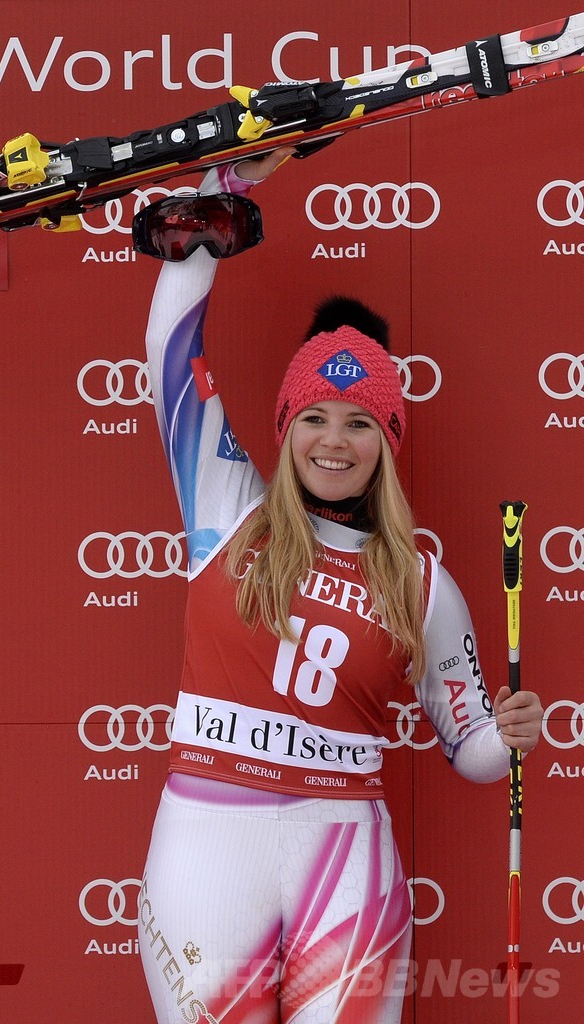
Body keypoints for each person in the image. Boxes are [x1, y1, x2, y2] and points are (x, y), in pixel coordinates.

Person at [137, 150, 542, 1024]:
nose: (334, 439)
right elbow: (170, 349)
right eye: (314, 416)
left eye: (360, 422)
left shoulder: (420, 581)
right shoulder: (225, 506)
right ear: (284, 429)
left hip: (346, 855)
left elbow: (468, 746)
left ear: (385, 440)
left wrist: (505, 734)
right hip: (208, 845)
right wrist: (213, 209)